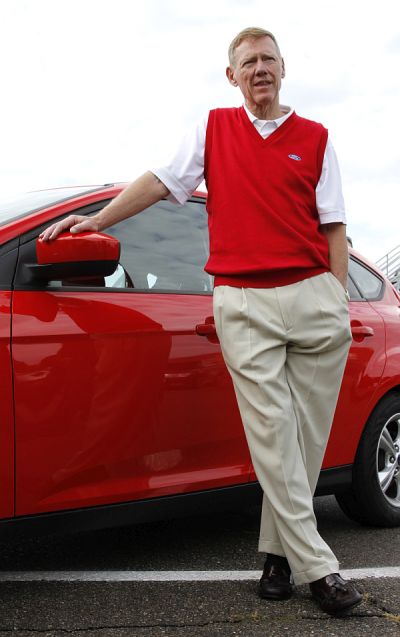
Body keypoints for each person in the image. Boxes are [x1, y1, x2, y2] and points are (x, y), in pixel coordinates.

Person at [40, 27, 362, 616]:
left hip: (314, 297)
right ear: (231, 75)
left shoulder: (316, 138)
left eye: (268, 59)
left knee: (302, 443)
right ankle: (321, 567)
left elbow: (334, 227)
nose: (259, 69)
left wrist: (338, 304)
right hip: (245, 301)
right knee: (272, 436)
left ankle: (278, 557)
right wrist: (98, 221)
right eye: (247, 62)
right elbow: (163, 182)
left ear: (284, 68)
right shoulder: (212, 128)